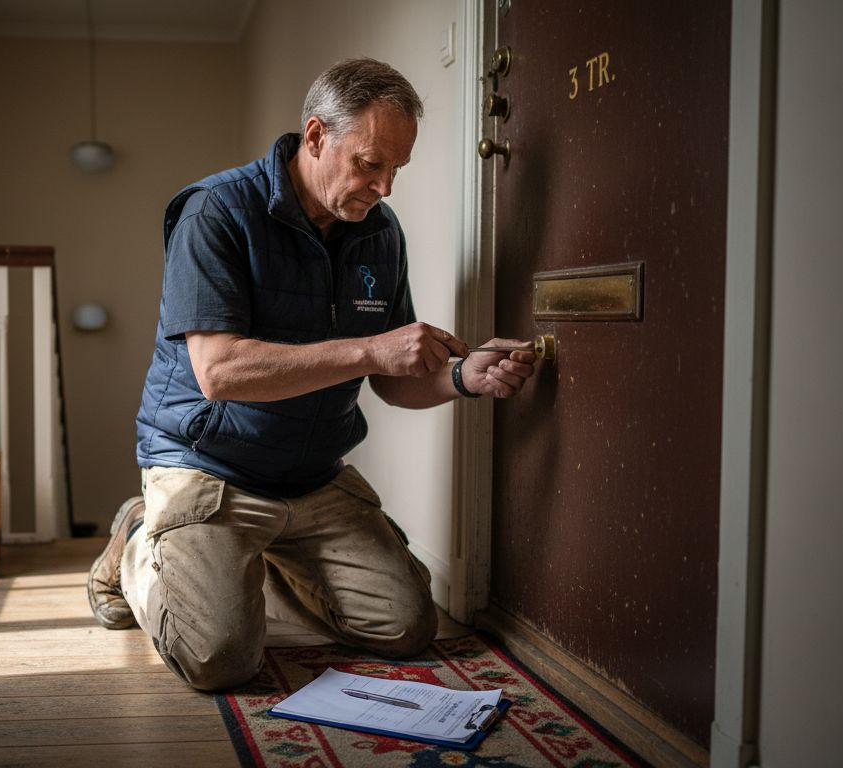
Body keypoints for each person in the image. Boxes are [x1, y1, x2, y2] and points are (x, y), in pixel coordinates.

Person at [87, 57, 537, 691]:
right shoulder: (215, 212)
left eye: (397, 169)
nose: (385, 188)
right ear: (317, 136)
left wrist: (466, 377)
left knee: (408, 626)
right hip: (208, 464)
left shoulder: (380, 233)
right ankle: (140, 534)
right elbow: (219, 371)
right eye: (370, 164)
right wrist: (371, 349)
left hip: (312, 477)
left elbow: (393, 378)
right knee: (218, 658)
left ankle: (246, 559)